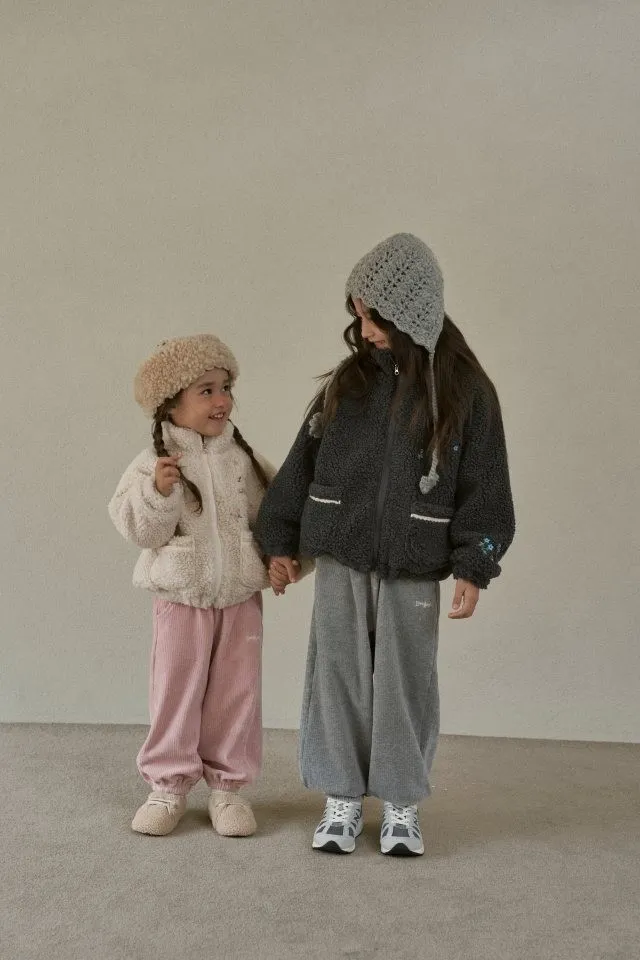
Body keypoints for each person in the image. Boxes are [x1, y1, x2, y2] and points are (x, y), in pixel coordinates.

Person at [256, 233, 515, 856]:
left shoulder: (467, 394)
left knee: (405, 681)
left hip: (414, 559)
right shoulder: (346, 386)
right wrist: (280, 539)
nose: (365, 330)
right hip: (341, 551)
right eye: (360, 315)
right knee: (336, 673)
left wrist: (474, 564)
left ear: (410, 314)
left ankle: (401, 800)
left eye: (375, 317)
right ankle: (341, 795)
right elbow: (302, 462)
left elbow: (486, 484)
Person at [109, 334, 274, 837]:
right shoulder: (152, 465)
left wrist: (282, 559)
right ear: (171, 403)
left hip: (240, 598)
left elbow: (273, 518)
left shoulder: (242, 460)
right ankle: (167, 786)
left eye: (226, 387)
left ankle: (228, 790)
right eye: (206, 390)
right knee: (176, 693)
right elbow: (139, 531)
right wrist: (158, 493)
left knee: (237, 694)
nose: (222, 399)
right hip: (181, 600)